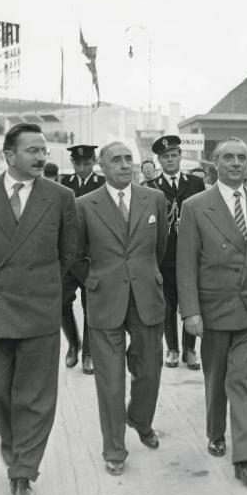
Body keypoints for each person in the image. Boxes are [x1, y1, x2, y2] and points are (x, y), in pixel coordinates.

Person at [0, 123, 78, 495]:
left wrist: (39, 285)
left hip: (39, 308)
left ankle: (23, 470)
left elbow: (68, 253)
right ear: (9, 156)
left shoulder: (61, 197)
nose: (42, 157)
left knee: (36, 396)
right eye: (33, 151)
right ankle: (13, 443)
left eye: (44, 151)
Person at [177, 137, 247, 487]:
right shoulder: (195, 206)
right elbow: (186, 264)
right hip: (215, 307)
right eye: (228, 158)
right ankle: (215, 430)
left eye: (242, 158)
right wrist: (190, 311)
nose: (236, 163)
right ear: (214, 163)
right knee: (217, 377)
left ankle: (245, 458)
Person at [73, 141, 168, 477]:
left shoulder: (154, 199)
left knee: (150, 371)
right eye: (117, 160)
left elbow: (161, 248)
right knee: (110, 382)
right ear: (101, 166)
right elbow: (74, 254)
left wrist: (146, 275)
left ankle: (140, 419)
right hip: (105, 300)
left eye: (129, 159)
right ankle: (114, 448)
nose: (126, 165)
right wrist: (95, 279)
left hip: (146, 299)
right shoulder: (83, 205)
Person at [145, 135, 205, 369]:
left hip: (191, 251)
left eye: (173, 155)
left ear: (180, 157)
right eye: (165, 157)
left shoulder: (195, 184)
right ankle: (172, 348)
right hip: (166, 254)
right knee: (168, 303)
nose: (170, 160)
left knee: (190, 301)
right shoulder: (151, 187)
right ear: (159, 161)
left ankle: (190, 350)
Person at [59, 145, 105, 374]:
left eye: (87, 163)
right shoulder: (62, 183)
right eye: (78, 164)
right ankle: (73, 344)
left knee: (92, 306)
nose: (83, 168)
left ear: (94, 162)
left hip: (91, 258)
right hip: (68, 257)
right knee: (61, 303)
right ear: (72, 163)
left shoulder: (102, 184)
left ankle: (88, 353)